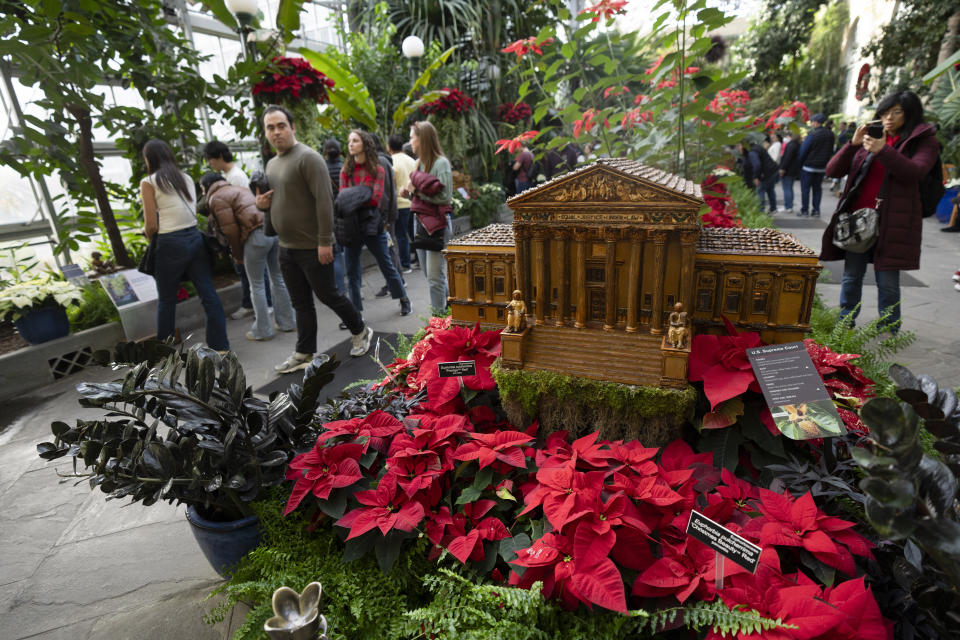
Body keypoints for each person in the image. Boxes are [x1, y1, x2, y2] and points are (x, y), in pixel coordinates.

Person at [255, 105, 373, 373]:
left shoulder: (308, 158)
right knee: (301, 303)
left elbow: (324, 201)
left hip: (313, 246)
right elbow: (279, 201)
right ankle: (304, 352)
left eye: (281, 125)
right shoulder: (272, 164)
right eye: (270, 128)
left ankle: (361, 330)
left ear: (292, 127)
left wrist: (324, 241)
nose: (276, 132)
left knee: (329, 295)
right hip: (286, 247)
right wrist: (261, 205)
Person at [820, 90, 939, 333]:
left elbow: (915, 172)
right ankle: (846, 321)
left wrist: (883, 150)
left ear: (910, 114)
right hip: (859, 221)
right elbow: (832, 171)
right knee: (851, 276)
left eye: (897, 112)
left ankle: (890, 328)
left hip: (893, 221)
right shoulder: (871, 137)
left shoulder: (924, 141)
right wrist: (851, 146)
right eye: (885, 112)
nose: (889, 118)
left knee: (887, 281)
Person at [140, 139, 228, 351]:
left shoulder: (149, 182)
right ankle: (220, 346)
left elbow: (151, 225)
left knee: (167, 300)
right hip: (194, 239)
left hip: (170, 243)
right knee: (208, 293)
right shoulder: (186, 178)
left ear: (149, 159)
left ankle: (166, 352)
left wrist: (147, 234)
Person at [201, 172, 295, 342]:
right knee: (278, 278)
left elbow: (230, 230)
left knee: (257, 285)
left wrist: (237, 255)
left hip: (255, 236)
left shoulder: (216, 198)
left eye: (202, 189)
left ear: (207, 186)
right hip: (271, 231)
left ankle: (263, 330)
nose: (202, 193)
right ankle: (288, 322)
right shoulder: (238, 189)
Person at [339, 130, 411, 316]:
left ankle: (404, 299)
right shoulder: (346, 170)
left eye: (355, 140)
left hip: (373, 223)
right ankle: (355, 314)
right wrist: (363, 193)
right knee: (352, 272)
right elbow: (342, 200)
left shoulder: (377, 168)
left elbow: (376, 199)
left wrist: (355, 196)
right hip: (352, 225)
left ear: (365, 143)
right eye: (349, 141)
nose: (351, 144)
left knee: (386, 265)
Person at [204, 140, 265, 320]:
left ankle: (259, 311)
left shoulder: (235, 177)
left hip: (246, 232)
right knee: (250, 275)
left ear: (220, 156)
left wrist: (236, 246)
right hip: (246, 232)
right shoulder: (229, 175)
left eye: (210, 159)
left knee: (252, 275)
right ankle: (252, 305)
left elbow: (242, 209)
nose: (210, 163)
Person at [401, 121, 453, 314]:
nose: (410, 141)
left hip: (437, 223)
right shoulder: (419, 163)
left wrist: (417, 192)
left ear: (422, 139)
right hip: (420, 222)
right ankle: (450, 306)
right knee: (428, 273)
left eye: (412, 137)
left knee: (434, 276)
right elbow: (417, 191)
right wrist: (408, 192)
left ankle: (438, 320)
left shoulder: (441, 163)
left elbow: (445, 197)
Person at [321, 139, 347, 296]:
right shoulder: (345, 167)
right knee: (349, 252)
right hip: (346, 214)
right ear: (340, 152)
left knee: (336, 253)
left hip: (330, 215)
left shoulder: (322, 170)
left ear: (325, 153)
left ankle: (340, 289)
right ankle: (353, 284)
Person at [797, 113, 835, 217]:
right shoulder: (830, 134)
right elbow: (831, 150)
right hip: (822, 167)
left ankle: (804, 210)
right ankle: (816, 210)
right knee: (817, 189)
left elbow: (803, 151)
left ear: (816, 122)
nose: (811, 123)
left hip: (808, 167)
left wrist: (800, 164)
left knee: (805, 190)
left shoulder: (812, 135)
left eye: (812, 121)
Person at [389, 133, 417, 273]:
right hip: (413, 201)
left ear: (389, 147)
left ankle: (406, 264)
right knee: (413, 232)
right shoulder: (411, 160)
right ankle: (418, 259)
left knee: (401, 235)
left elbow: (392, 185)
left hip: (400, 203)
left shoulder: (391, 162)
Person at [741, 136, 778, 213]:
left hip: (765, 173)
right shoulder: (757, 147)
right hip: (772, 170)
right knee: (770, 190)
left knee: (760, 191)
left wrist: (756, 177)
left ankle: (760, 210)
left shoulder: (752, 152)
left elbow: (757, 165)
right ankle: (773, 208)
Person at [778, 131, 802, 214]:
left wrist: (782, 168)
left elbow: (787, 158)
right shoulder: (798, 145)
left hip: (788, 170)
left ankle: (788, 206)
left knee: (787, 188)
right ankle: (789, 206)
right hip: (794, 170)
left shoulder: (791, 145)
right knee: (790, 188)